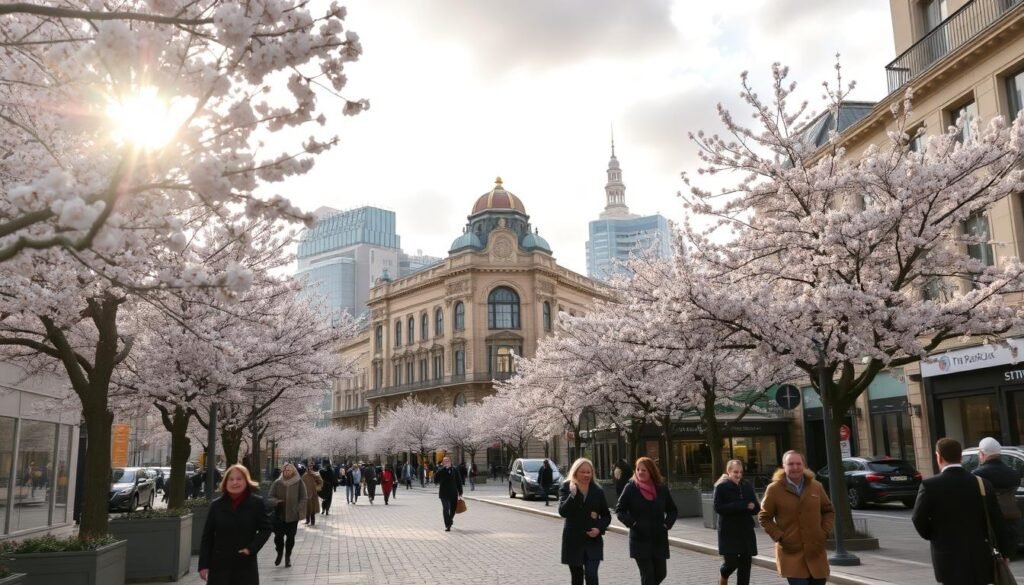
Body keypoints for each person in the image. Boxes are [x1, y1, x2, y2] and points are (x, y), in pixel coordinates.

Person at [913, 438, 1008, 585]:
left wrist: (935, 535)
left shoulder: (930, 486)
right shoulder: (982, 484)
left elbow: (918, 518)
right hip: (979, 555)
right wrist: (1005, 552)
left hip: (947, 556)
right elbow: (997, 521)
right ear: (960, 457)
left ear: (939, 457)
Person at [758, 450, 834, 585]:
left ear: (804, 465)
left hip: (815, 553)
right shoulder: (774, 489)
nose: (795, 467)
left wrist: (824, 532)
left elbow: (828, 511)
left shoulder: (816, 486)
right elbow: (764, 517)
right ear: (784, 466)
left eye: (798, 464)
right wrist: (780, 537)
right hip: (791, 552)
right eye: (790, 464)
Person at [198, 464, 271, 584]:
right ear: (225, 482)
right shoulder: (216, 505)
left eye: (239, 479)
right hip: (219, 566)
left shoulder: (256, 503)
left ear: (246, 481)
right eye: (231, 479)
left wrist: (251, 549)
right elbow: (207, 536)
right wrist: (203, 565)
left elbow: (266, 529)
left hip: (245, 565)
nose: (235, 482)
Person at [615, 457, 678, 585]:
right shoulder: (631, 488)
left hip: (659, 538)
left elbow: (672, 510)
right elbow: (620, 510)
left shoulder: (661, 488)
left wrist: (666, 524)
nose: (640, 472)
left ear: (651, 471)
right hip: (639, 539)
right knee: (648, 576)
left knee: (661, 573)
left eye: (644, 470)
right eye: (638, 469)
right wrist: (633, 524)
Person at [559, 458, 611, 585]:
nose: (586, 475)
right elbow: (563, 512)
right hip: (573, 540)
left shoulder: (597, 491)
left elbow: (606, 516)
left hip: (593, 541)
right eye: (583, 472)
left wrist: (599, 528)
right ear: (575, 472)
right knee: (577, 577)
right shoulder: (566, 487)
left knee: (592, 575)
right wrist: (572, 495)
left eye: (589, 472)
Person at [973, 436, 1021, 560]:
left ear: (982, 454)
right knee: (1006, 559)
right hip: (1011, 520)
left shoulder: (977, 475)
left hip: (989, 524)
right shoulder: (1013, 473)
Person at [713, 459, 760, 585]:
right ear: (728, 472)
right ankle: (723, 575)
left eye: (741, 472)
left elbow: (756, 506)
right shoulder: (721, 487)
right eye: (735, 472)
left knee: (746, 565)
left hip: (745, 530)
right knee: (731, 563)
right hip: (728, 531)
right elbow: (718, 508)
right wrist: (742, 505)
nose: (739, 475)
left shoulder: (747, 485)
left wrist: (753, 507)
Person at [265, 463, 306, 569]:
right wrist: (277, 502)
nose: (287, 471)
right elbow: (269, 497)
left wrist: (298, 508)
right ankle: (279, 552)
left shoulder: (299, 482)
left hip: (293, 515)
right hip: (279, 515)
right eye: (285, 470)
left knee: (291, 538)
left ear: (293, 471)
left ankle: (288, 556)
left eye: (289, 470)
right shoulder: (277, 482)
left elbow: (303, 497)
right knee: (278, 538)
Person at [435, 456, 464, 532]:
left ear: (450, 461)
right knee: (445, 508)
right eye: (445, 461)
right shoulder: (441, 470)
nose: (446, 462)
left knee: (453, 509)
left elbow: (459, 481)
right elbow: (435, 480)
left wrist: (460, 492)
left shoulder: (455, 469)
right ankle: (448, 525)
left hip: (453, 493)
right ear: (443, 463)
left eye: (448, 460)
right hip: (443, 493)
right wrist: (442, 469)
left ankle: (450, 520)